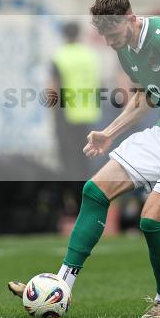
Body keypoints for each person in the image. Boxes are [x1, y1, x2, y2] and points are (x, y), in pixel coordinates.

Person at [8, 0, 160, 318]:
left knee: (150, 219)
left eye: (114, 35)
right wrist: (110, 133)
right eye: (104, 36)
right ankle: (62, 284)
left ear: (131, 20)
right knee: (94, 191)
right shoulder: (125, 48)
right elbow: (146, 97)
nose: (110, 42)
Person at [50, 21, 101, 214]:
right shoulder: (90, 55)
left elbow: (53, 88)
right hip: (88, 113)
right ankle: (86, 201)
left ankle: (69, 204)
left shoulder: (60, 56)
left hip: (67, 114)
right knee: (85, 161)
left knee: (68, 160)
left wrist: (52, 114)